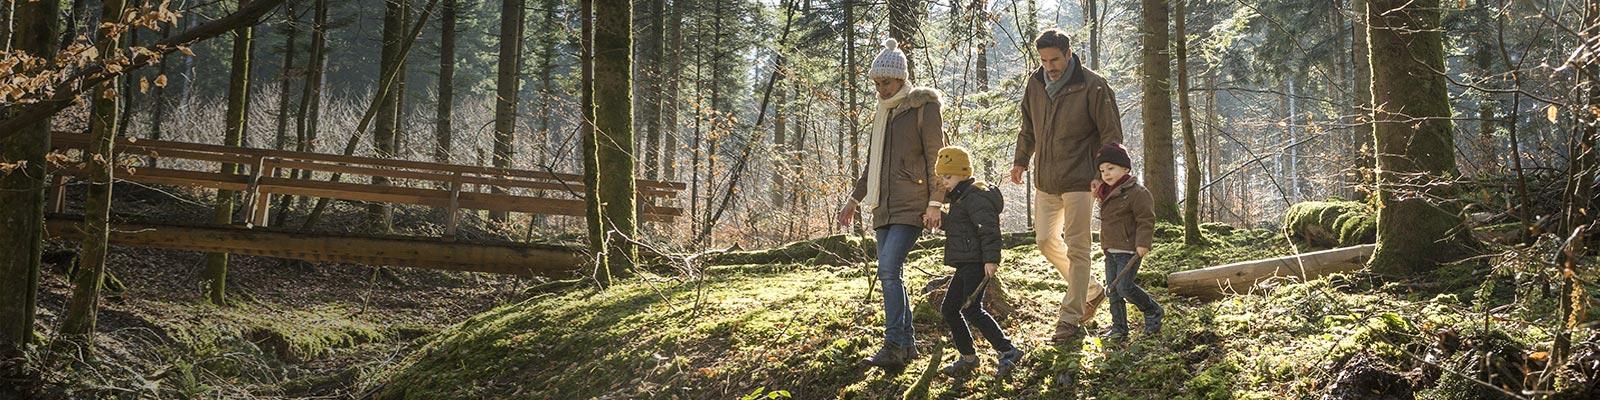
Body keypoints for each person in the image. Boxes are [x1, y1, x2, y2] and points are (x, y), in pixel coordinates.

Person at [836, 38, 947, 369]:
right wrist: (854, 199)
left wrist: (935, 203)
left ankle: (894, 344)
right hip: (882, 207)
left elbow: (937, 159)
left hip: (913, 205)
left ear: (901, 79)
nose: (881, 89)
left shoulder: (923, 108)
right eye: (877, 83)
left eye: (886, 82)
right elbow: (873, 165)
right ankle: (907, 345)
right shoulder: (883, 115)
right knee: (891, 272)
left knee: (887, 269)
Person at [1008, 28, 1125, 345]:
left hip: (1082, 179)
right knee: (1045, 240)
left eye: (1055, 60)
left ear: (1069, 54)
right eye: (1044, 60)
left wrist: (1103, 174)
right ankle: (1092, 290)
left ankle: (1070, 317)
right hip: (1046, 180)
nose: (1050, 66)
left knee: (1078, 247)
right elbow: (1027, 127)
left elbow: (1111, 135)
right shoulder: (1035, 84)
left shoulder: (1093, 85)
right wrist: (1020, 161)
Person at [930, 146, 1026, 377]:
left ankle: (1008, 350)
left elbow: (988, 228)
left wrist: (991, 259)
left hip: (976, 262)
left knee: (972, 309)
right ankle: (968, 358)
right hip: (965, 263)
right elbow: (960, 228)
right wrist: (939, 220)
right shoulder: (960, 198)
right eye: (942, 177)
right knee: (950, 309)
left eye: (948, 176)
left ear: (963, 173)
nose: (944, 182)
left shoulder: (975, 196)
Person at [1093, 143, 1163, 339]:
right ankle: (1119, 327)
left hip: (1129, 249)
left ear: (1125, 168)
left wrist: (1143, 243)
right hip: (1110, 251)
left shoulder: (1137, 192)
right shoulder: (1105, 193)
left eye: (1111, 168)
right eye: (1102, 170)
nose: (1106, 174)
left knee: (1124, 287)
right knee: (1113, 290)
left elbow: (1146, 219)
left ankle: (1153, 310)